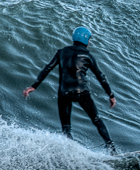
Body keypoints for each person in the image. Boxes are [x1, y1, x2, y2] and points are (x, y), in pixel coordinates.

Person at [23, 27, 118, 155]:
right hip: (81, 92)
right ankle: (111, 148)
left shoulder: (62, 52)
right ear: (86, 40)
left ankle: (71, 154)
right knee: (96, 119)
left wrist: (34, 86)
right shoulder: (88, 56)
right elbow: (101, 77)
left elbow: (47, 68)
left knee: (66, 127)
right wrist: (111, 95)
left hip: (64, 93)